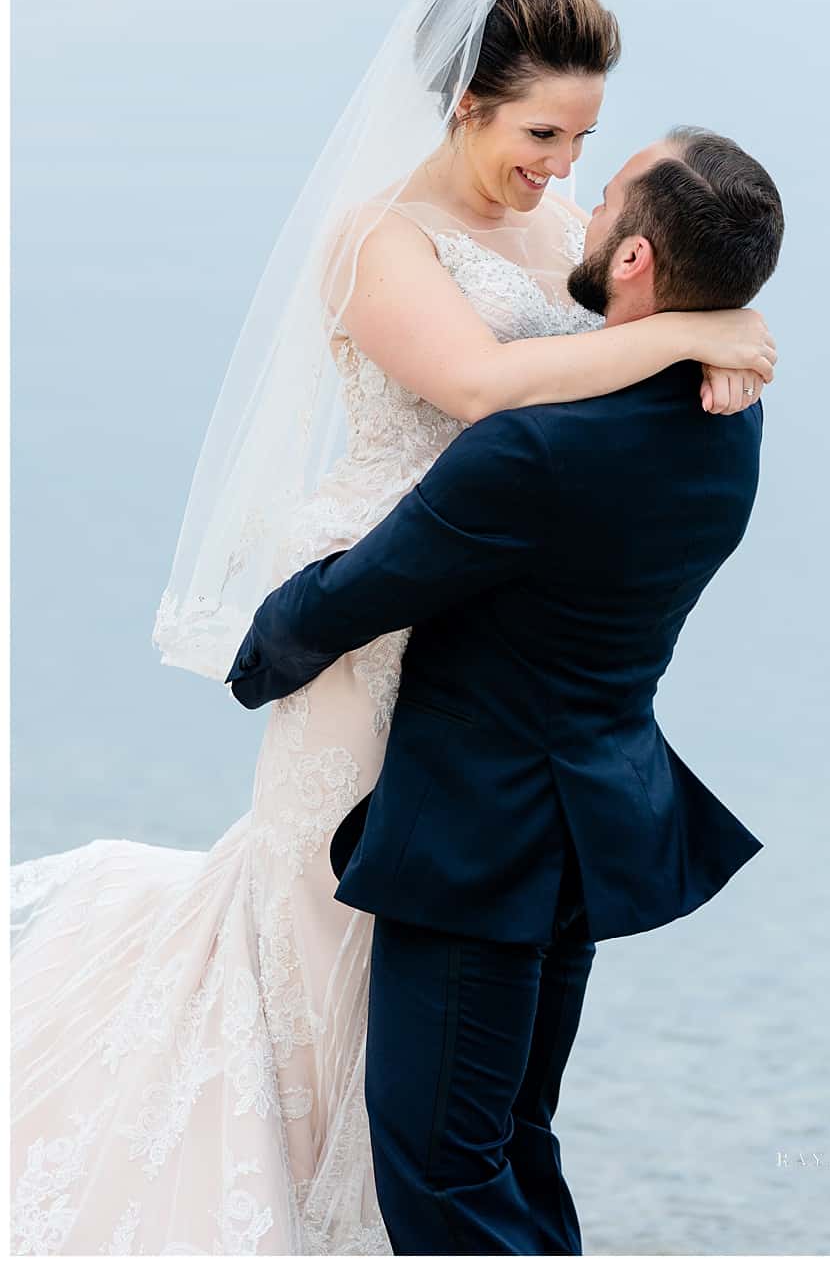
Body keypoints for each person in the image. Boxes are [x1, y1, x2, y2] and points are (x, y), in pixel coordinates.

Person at [9, 0, 776, 1255]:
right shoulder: (378, 239)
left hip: (498, 631)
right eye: (542, 133)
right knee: (326, 950)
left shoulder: (560, 223)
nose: (561, 167)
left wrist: (712, 334)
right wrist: (687, 336)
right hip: (369, 627)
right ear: (465, 103)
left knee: (450, 1034)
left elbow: (620, 319)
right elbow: (481, 387)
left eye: (586, 137)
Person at [226, 127, 785, 1255]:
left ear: (634, 261)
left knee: (441, 1172)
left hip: (483, 839)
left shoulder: (533, 449)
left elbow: (363, 591)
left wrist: (255, 658)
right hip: (595, 812)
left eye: (605, 191)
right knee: (516, 1144)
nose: (578, 204)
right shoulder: (727, 415)